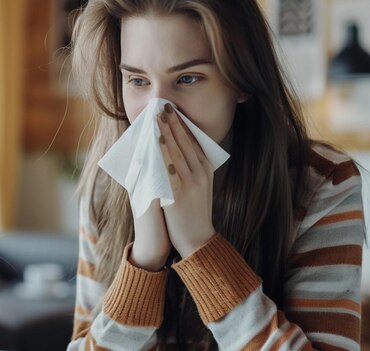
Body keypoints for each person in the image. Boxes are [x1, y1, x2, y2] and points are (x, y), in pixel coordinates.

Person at [67, 0, 366, 350]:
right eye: (137, 80)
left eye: (188, 78)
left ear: (242, 83)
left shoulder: (322, 184)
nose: (157, 113)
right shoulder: (107, 185)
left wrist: (200, 247)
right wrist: (144, 261)